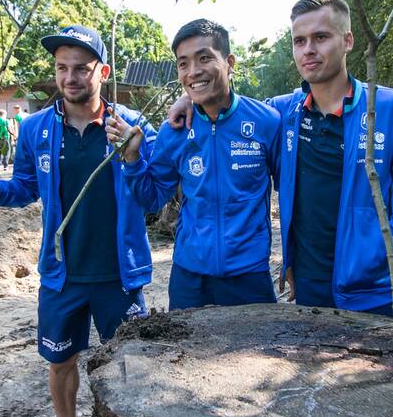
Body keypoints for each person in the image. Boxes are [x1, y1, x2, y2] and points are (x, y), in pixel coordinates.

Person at [169, 0, 393, 315]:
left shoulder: (391, 109)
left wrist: (391, 235)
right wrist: (191, 98)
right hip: (305, 288)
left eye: (320, 37)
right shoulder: (282, 114)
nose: (309, 50)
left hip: (372, 292)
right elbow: (232, 111)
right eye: (299, 41)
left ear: (347, 41)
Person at [0, 24, 157, 417]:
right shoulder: (35, 129)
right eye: (62, 68)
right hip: (62, 273)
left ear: (102, 73)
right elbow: (24, 188)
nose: (70, 77)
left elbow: (151, 196)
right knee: (60, 361)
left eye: (81, 69)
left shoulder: (130, 126)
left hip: (119, 273)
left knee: (129, 359)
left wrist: (133, 154)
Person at [109, 19, 280, 309]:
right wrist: (132, 158)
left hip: (250, 275)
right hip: (189, 278)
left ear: (229, 62)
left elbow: (290, 195)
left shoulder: (267, 121)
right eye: (183, 63)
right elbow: (151, 199)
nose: (193, 72)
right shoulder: (173, 131)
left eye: (204, 58)